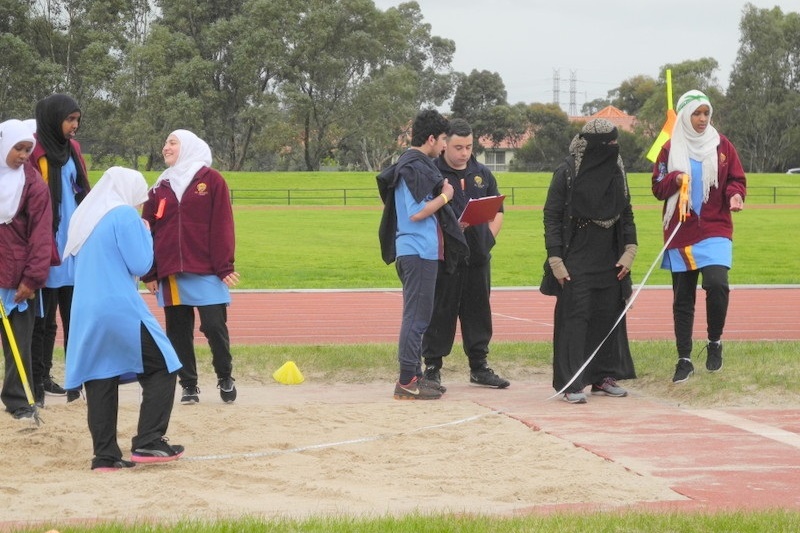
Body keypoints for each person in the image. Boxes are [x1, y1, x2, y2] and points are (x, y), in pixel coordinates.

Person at [63, 167, 184, 471]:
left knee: (100, 374)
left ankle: (105, 456)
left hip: (85, 308)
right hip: (118, 305)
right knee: (163, 364)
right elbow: (141, 264)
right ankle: (149, 440)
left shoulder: (85, 218)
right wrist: (144, 231)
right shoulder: (124, 216)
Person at [652, 89, 746, 383]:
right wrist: (675, 179)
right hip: (681, 229)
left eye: (706, 113)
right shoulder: (669, 149)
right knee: (683, 298)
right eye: (696, 113)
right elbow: (657, 187)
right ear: (684, 116)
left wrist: (735, 196)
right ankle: (684, 358)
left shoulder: (722, 146)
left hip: (716, 228)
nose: (702, 119)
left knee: (718, 284)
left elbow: (736, 179)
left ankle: (714, 341)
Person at [543, 118, 638, 404]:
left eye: (615, 142)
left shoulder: (617, 169)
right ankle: (572, 382)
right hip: (577, 257)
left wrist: (629, 251)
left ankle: (602, 376)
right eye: (608, 143)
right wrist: (556, 259)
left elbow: (627, 212)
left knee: (607, 315)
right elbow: (552, 217)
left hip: (610, 256)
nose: (613, 148)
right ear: (593, 144)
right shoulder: (567, 171)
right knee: (576, 317)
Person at [141, 129, 239, 405]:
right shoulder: (159, 187)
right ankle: (189, 385)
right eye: (165, 142)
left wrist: (224, 266)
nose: (165, 147)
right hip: (171, 272)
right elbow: (147, 230)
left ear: (188, 147)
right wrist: (150, 272)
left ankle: (225, 375)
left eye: (172, 143)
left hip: (208, 269)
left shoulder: (212, 180)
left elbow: (223, 224)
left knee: (214, 327)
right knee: (178, 332)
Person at [377, 109, 469, 400]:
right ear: (431, 138)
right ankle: (406, 380)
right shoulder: (414, 166)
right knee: (416, 319)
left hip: (423, 252)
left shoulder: (417, 165)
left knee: (421, 317)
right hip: (416, 252)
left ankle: (415, 375)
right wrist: (445, 196)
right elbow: (415, 213)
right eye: (443, 140)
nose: (444, 146)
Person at [421, 119, 510, 389]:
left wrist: (488, 239)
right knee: (441, 310)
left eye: (469, 147)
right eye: (458, 147)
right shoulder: (432, 172)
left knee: (478, 311)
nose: (464, 153)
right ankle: (433, 367)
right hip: (446, 257)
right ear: (445, 143)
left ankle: (479, 367)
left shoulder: (482, 173)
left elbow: (498, 211)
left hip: (478, 257)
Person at [29, 94, 91, 405]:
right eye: (70, 120)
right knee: (43, 322)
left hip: (73, 248)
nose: (75, 126)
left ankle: (74, 382)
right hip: (46, 249)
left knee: (74, 319)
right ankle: (38, 381)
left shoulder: (74, 150)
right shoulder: (35, 152)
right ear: (53, 120)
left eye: (77, 120)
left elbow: (83, 192)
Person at [0, 119, 53, 421]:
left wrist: (32, 279)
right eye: (18, 149)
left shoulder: (34, 184)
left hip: (19, 279)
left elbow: (41, 235)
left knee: (18, 345)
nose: (22, 155)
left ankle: (20, 402)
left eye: (27, 149)